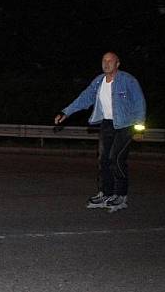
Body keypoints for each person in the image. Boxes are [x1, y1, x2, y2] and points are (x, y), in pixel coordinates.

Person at [54, 52, 146, 213]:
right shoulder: (98, 81)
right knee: (103, 159)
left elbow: (139, 103)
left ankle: (121, 195)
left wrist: (139, 128)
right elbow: (84, 98)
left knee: (116, 158)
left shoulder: (128, 80)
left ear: (118, 64)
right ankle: (106, 193)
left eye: (110, 61)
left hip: (125, 125)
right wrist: (66, 112)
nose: (107, 63)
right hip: (107, 124)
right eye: (104, 60)